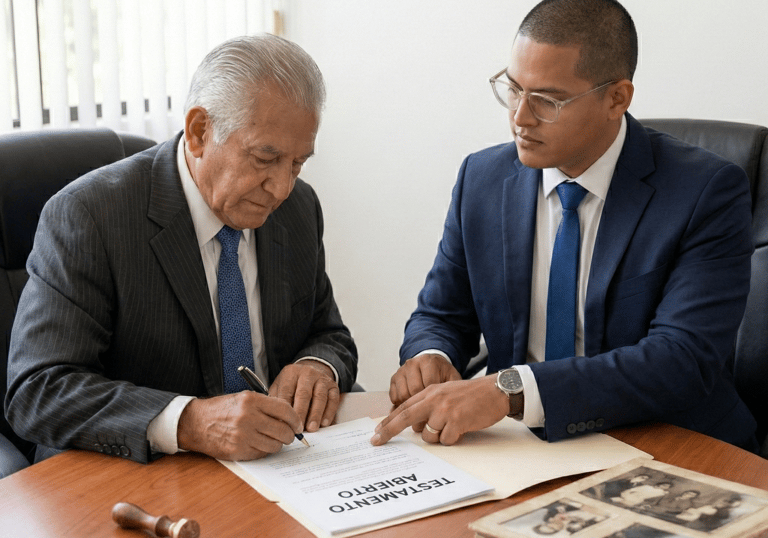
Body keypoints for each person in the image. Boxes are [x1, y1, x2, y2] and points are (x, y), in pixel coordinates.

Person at [371, 0, 757, 451]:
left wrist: (512, 391)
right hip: (519, 445)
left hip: (666, 443)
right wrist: (430, 355)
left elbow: (681, 360)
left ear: (617, 98)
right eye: (513, 89)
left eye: (548, 100)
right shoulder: (482, 179)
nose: (520, 117)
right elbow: (441, 314)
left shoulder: (705, 191)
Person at [5, 34, 357, 464]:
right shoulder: (90, 216)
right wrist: (189, 421)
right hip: (142, 471)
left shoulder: (299, 208)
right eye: (265, 159)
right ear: (199, 132)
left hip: (278, 463)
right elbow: (39, 390)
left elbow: (329, 333)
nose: (282, 188)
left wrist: (317, 366)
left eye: (298, 163)